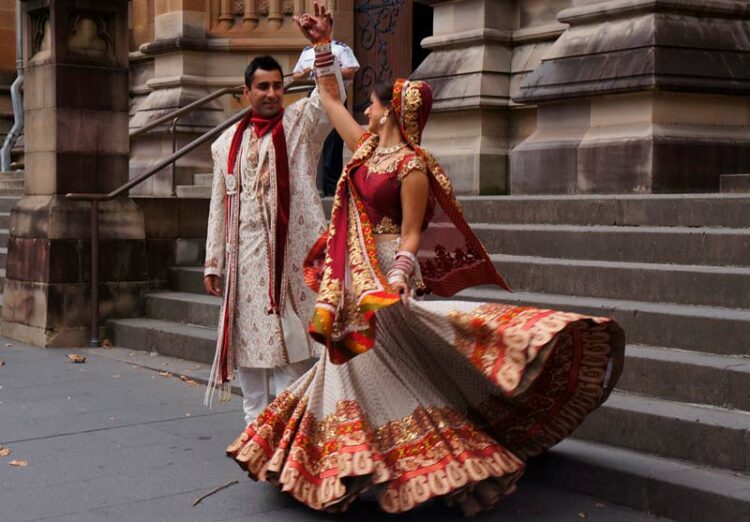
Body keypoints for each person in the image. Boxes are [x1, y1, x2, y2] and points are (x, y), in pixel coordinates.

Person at [226, 3, 625, 517]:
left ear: (389, 110)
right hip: (353, 275)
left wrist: (398, 276)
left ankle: (393, 462)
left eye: (370, 105)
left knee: (372, 367)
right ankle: (348, 465)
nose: (365, 111)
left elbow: (413, 232)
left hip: (387, 274)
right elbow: (328, 98)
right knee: (349, 366)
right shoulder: (365, 150)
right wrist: (322, 45)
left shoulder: (413, 167)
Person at [202, 54, 340, 426]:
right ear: (246, 92)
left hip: (290, 265)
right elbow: (219, 204)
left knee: (291, 364)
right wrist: (213, 262)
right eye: (263, 86)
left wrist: (322, 49)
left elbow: (327, 101)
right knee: (250, 369)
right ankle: (255, 442)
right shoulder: (225, 144)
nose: (272, 93)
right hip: (245, 269)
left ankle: (286, 447)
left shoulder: (299, 125)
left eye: (278, 85)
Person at [292, 20, 359, 197]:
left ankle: (332, 188)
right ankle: (310, 184)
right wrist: (307, 71)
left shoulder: (340, 48)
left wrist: (326, 68)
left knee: (333, 143)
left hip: (335, 93)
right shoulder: (306, 51)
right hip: (312, 94)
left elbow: (351, 71)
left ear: (330, 26)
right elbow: (296, 75)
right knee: (308, 138)